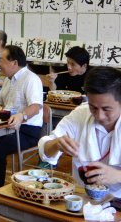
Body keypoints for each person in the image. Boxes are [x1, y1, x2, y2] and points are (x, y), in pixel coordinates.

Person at [0, 45, 43, 210]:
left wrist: (22, 116)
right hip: (6, 127)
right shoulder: (8, 79)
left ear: (14, 62)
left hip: (27, 130)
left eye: (2, 60)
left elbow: (36, 106)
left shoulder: (31, 79)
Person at [39, 66, 121, 196]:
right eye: (93, 107)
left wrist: (117, 175)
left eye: (106, 109)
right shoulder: (81, 114)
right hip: (81, 195)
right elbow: (46, 149)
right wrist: (56, 144)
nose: (99, 116)